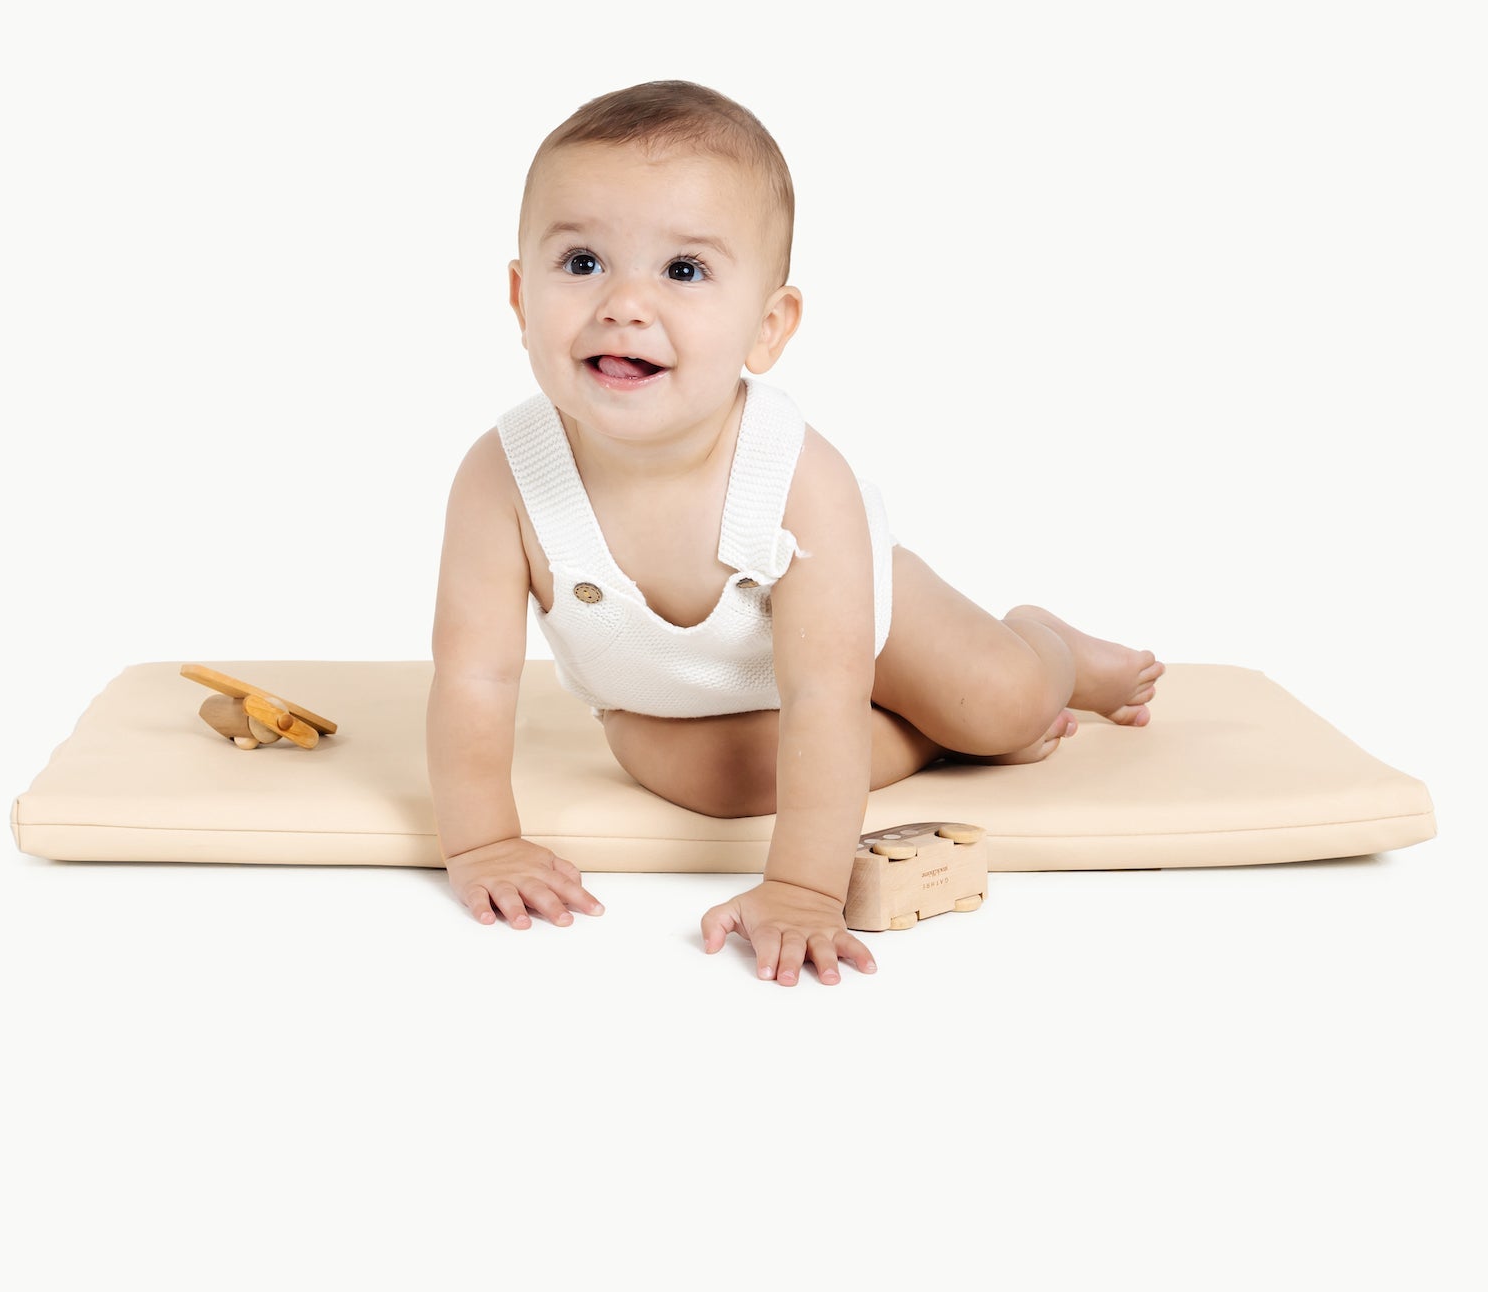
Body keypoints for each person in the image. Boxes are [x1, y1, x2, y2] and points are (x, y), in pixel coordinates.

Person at [425, 78, 1163, 988]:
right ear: (517, 296)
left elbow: (822, 693)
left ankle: (1051, 649)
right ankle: (927, 738)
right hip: (673, 699)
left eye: (683, 271)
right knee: (709, 783)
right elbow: (474, 677)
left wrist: (803, 890)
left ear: (767, 328)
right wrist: (483, 842)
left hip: (856, 628)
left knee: (999, 705)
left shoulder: (798, 479)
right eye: (582, 262)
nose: (624, 304)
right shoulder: (500, 478)